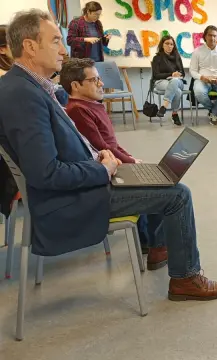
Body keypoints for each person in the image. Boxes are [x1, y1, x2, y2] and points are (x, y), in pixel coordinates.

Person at [0, 10, 217, 301]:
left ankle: (159, 250)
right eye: (56, 40)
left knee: (163, 178)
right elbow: (46, 173)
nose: (64, 49)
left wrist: (97, 157)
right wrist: (103, 169)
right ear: (30, 46)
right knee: (177, 194)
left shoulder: (29, 86)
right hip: (71, 199)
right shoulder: (23, 95)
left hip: (84, 181)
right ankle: (185, 279)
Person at [61, 58, 165, 264]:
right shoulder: (78, 110)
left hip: (114, 163)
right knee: (161, 190)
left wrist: (131, 159)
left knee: (154, 178)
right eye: (94, 80)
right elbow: (102, 146)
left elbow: (112, 143)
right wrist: (130, 163)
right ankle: (155, 246)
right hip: (108, 170)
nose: (101, 84)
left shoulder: (90, 105)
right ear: (75, 85)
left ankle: (149, 241)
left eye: (99, 78)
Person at [190, 25, 217, 125]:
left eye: (215, 36)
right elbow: (193, 71)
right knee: (199, 92)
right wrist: (202, 77)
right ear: (205, 36)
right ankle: (216, 111)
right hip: (202, 79)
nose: (212, 38)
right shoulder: (197, 52)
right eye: (210, 35)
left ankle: (213, 113)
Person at [152, 35, 186, 126]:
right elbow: (156, 75)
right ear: (162, 45)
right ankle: (174, 114)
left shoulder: (177, 57)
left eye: (171, 44)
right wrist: (171, 75)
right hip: (161, 82)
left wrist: (177, 75)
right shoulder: (157, 58)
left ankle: (164, 106)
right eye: (167, 43)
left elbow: (183, 73)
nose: (169, 46)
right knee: (177, 92)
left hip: (178, 81)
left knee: (175, 81)